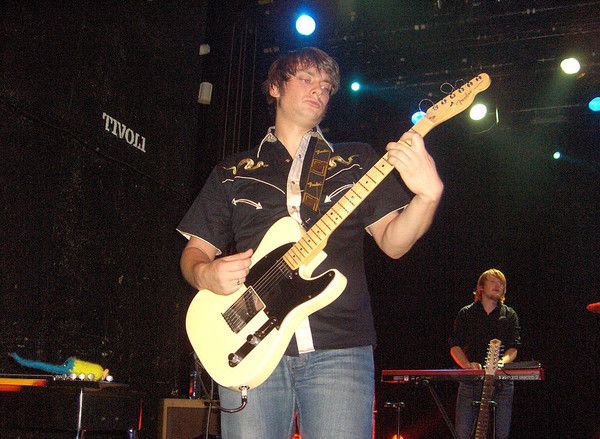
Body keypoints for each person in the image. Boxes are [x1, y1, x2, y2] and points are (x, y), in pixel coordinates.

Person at [178, 47, 444, 439]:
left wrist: (427, 197)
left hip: (340, 347)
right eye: (306, 80)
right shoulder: (232, 172)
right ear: (275, 88)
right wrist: (206, 274)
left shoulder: (356, 161)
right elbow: (194, 252)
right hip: (246, 343)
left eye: (326, 86)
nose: (319, 90)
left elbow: (394, 243)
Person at [449, 268, 521, 439]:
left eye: (501, 283)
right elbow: (455, 346)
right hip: (471, 382)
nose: (498, 285)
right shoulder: (466, 313)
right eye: (493, 281)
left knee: (501, 434)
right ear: (481, 287)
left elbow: (514, 347)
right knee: (462, 433)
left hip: (501, 383)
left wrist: (501, 362)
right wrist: (467, 365)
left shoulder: (509, 314)